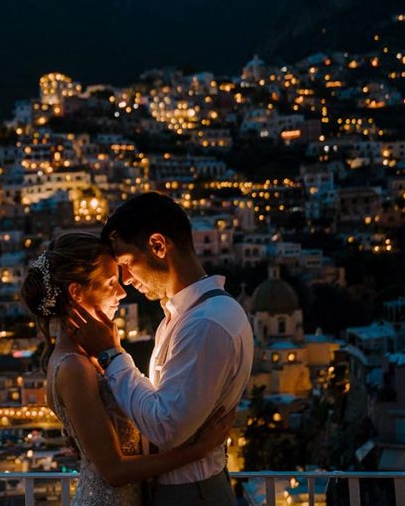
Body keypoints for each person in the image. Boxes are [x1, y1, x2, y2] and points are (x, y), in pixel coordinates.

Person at [20, 231, 236, 506]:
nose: (122, 292)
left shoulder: (88, 357)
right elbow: (114, 471)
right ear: (76, 292)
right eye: (111, 282)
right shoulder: (74, 366)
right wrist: (199, 450)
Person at [65, 192, 253, 506]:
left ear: (157, 245)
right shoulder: (186, 317)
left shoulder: (206, 323)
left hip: (191, 492)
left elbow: (166, 428)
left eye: (125, 263)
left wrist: (112, 355)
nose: (124, 279)